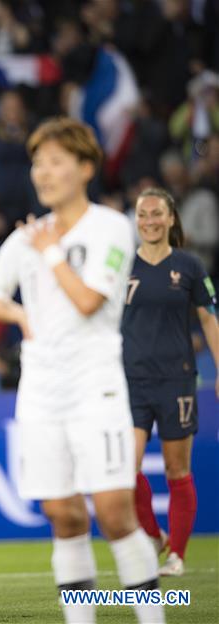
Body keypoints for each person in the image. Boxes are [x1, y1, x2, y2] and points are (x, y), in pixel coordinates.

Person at [0, 117, 165, 624]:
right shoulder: (29, 237)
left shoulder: (110, 226)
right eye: (38, 162)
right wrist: (17, 313)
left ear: (85, 167)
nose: (44, 172)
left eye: (56, 161)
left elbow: (86, 301)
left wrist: (50, 251)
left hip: (95, 386)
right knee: (62, 515)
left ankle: (153, 615)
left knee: (114, 512)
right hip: (40, 390)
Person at [122, 187, 219, 577]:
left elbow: (209, 318)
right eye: (143, 214)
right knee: (124, 471)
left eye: (156, 213)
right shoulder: (122, 266)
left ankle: (176, 555)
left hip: (176, 380)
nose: (149, 221)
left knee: (178, 470)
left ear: (171, 218)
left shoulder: (190, 266)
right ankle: (154, 535)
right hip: (131, 381)